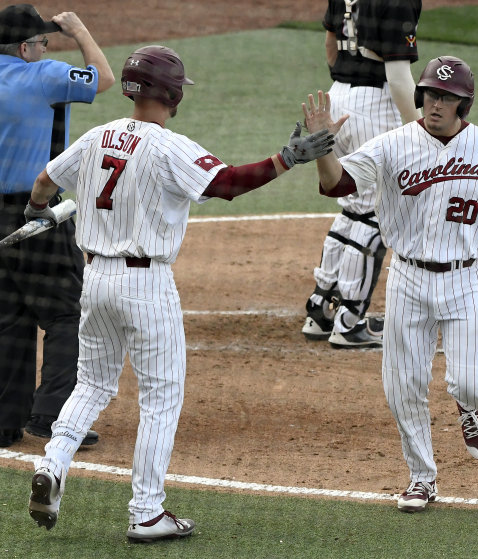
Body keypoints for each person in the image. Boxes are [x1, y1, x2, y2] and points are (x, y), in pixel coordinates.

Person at [26, 45, 333, 542]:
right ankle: (146, 512)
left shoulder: (96, 136)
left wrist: (38, 209)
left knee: (91, 386)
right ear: (170, 92)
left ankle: (53, 464)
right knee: (161, 398)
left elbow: (44, 182)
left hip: (97, 282)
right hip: (145, 285)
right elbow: (228, 184)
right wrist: (288, 157)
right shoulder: (172, 147)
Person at [302, 55, 478, 511]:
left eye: (446, 97)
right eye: (430, 94)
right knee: (401, 386)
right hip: (408, 277)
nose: (435, 104)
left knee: (469, 383)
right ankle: (421, 478)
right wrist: (322, 148)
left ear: (463, 104)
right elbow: (337, 185)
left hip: (469, 278)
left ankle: (471, 410)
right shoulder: (392, 144)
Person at [0, 4, 115, 448]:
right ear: (27, 48)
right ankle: (52, 417)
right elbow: (103, 78)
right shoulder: (44, 74)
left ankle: (5, 422)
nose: (47, 48)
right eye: (43, 42)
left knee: (9, 315)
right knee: (68, 313)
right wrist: (80, 31)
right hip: (35, 212)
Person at [301, 0, 422, 348]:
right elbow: (399, 78)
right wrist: (420, 133)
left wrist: (348, 84)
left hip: (337, 98)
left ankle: (321, 308)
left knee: (354, 206)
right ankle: (350, 321)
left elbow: (330, 45)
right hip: (376, 103)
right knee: (375, 211)